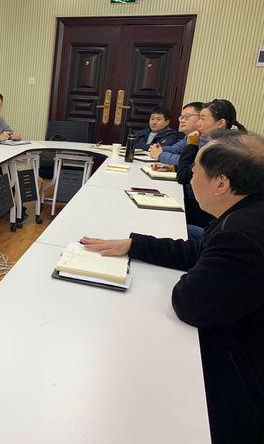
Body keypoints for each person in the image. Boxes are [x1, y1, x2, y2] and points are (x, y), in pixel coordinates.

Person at [81, 131, 264, 444]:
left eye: (195, 170)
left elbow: (190, 303)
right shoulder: (246, 211)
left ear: (221, 183)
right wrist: (135, 244)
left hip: (242, 382)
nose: (189, 175)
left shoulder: (241, 234)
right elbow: (200, 252)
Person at [176, 99, 246, 230]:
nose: (198, 123)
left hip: (207, 218)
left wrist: (191, 145)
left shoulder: (219, 148)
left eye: (203, 118)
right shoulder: (231, 142)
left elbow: (183, 176)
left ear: (220, 123)